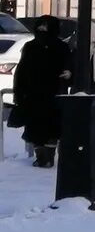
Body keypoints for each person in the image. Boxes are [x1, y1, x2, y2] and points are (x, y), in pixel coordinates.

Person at [13, 16, 72, 167]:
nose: (41, 31)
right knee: (35, 128)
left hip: (54, 93)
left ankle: (49, 156)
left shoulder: (61, 47)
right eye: (39, 28)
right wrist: (19, 93)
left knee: (52, 128)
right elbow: (22, 70)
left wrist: (68, 73)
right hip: (33, 94)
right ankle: (41, 157)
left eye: (45, 28)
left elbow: (70, 65)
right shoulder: (30, 46)